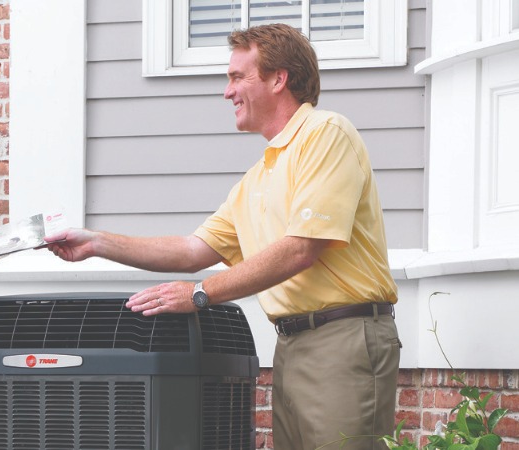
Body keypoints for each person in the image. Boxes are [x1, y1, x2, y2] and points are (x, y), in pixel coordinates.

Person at [46, 23, 400, 450]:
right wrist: (97, 243)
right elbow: (193, 249)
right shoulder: (259, 177)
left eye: (236, 76)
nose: (227, 91)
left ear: (278, 78)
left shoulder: (326, 134)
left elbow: (303, 248)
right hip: (291, 345)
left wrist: (200, 293)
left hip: (344, 339)